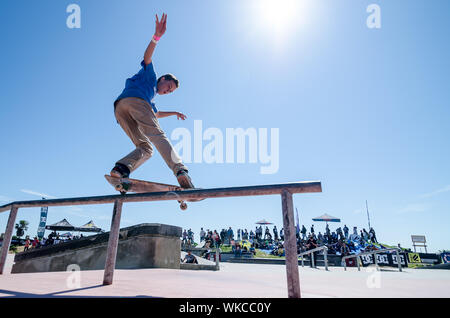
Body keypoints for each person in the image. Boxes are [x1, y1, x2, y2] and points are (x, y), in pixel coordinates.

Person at [110, 13, 194, 190]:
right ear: (163, 78)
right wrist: (156, 37)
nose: (166, 91)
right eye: (168, 86)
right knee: (158, 136)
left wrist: (175, 113)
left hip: (120, 109)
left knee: (145, 147)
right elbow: (147, 57)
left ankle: (121, 168)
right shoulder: (151, 76)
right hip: (137, 102)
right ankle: (180, 170)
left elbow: (155, 114)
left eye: (170, 91)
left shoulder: (151, 98)